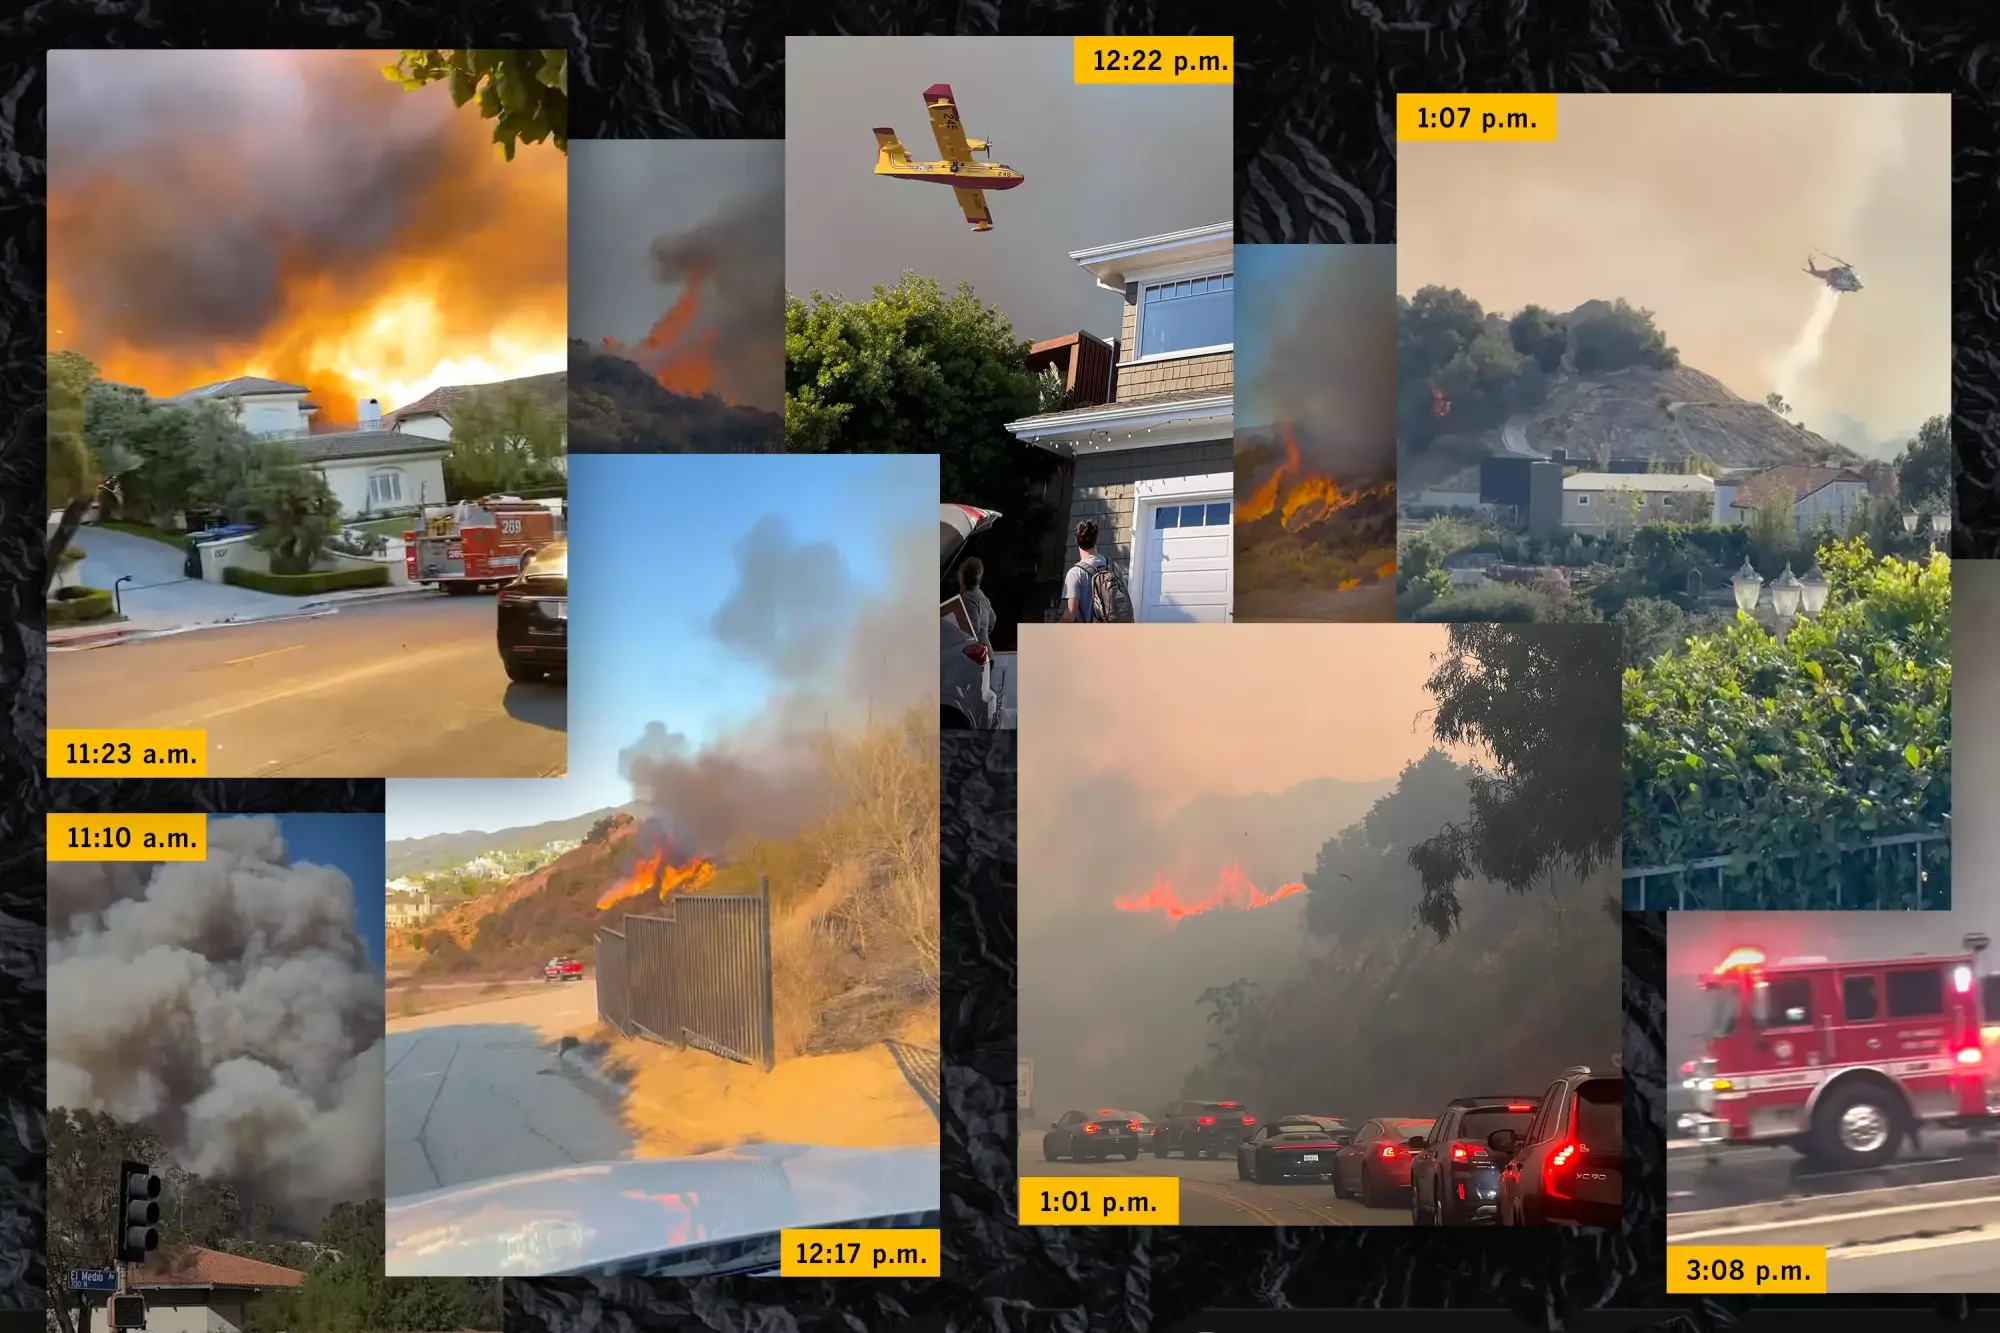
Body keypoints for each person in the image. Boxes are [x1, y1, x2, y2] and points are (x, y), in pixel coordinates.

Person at [1060, 519, 1132, 622]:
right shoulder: (1114, 567)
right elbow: (1126, 602)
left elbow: (1070, 615)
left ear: (1076, 540)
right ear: (1097, 539)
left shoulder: (1075, 573)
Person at [957, 557, 995, 647]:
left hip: (977, 654)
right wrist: (983, 635)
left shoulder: (967, 597)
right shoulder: (981, 595)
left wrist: (956, 632)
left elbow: (974, 626)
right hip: (987, 651)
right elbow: (992, 619)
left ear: (963, 576)